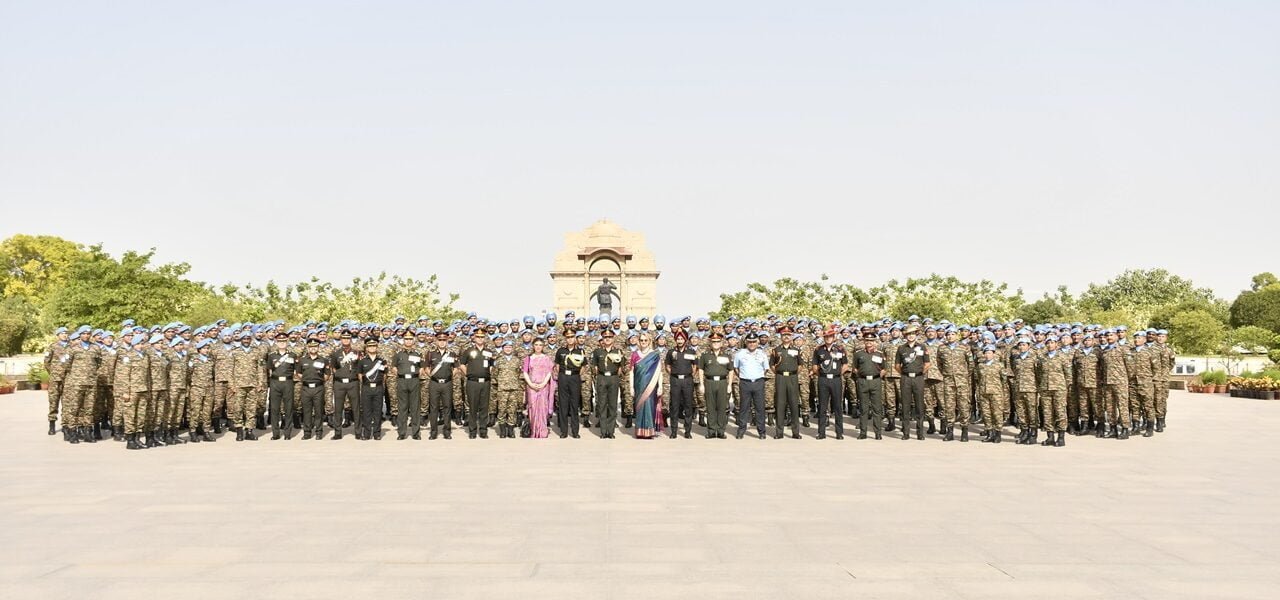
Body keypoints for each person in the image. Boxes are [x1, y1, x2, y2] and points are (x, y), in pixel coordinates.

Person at [811, 327, 847, 440]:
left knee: (838, 406)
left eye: (830, 336)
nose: (828, 338)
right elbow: (815, 367)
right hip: (823, 380)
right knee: (822, 406)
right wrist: (823, 374)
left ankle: (839, 432)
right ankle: (821, 432)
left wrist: (836, 374)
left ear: (834, 337)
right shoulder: (818, 350)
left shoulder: (840, 349)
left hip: (836, 380)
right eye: (826, 336)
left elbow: (845, 365)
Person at [459, 331, 495, 439]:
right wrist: (469, 374)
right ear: (474, 338)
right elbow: (461, 364)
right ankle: (472, 430)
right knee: (473, 407)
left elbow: (492, 365)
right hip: (472, 382)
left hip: (485, 382)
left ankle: (483, 430)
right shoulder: (469, 350)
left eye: (482, 337)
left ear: (485, 338)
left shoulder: (488, 351)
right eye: (478, 337)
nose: (480, 339)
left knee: (484, 407)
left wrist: (488, 372)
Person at [896, 325, 929, 440]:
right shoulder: (901, 348)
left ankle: (920, 433)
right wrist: (905, 373)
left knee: (919, 405)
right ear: (905, 336)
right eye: (908, 334)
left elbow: (927, 364)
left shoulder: (922, 347)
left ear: (916, 335)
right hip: (906, 378)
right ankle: (906, 433)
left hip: (918, 378)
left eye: (913, 334)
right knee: (905, 405)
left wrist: (919, 373)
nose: (911, 336)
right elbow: (897, 365)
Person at [591, 330, 626, 438]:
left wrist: (614, 375)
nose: (607, 339)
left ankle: (610, 432)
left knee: (612, 405)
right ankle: (603, 431)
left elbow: (621, 367)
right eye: (605, 337)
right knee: (601, 405)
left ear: (613, 338)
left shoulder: (618, 351)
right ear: (602, 338)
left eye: (610, 337)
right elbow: (595, 367)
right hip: (602, 378)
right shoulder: (597, 352)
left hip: (613, 378)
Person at [265, 333, 299, 440]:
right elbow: (269, 370)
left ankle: (287, 433)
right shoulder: (272, 355)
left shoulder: (293, 355)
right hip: (275, 383)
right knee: (275, 409)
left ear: (287, 341)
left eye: (284, 341)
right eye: (280, 341)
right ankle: (275, 433)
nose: (282, 343)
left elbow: (296, 370)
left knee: (288, 408)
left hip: (288, 383)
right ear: (276, 342)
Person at [699, 332, 733, 439]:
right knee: (710, 407)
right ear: (710, 343)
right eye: (713, 342)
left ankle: (721, 430)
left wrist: (730, 385)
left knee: (722, 407)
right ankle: (711, 431)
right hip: (709, 382)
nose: (716, 343)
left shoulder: (726, 355)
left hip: (722, 382)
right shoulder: (705, 355)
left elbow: (731, 370)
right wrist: (701, 384)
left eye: (718, 341)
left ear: (721, 343)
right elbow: (701, 370)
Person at [734, 333, 768, 440]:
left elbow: (765, 368)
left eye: (754, 342)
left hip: (758, 382)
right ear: (746, 342)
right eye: (749, 342)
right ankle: (741, 430)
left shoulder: (762, 354)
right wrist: (744, 376)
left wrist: (757, 376)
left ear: (757, 342)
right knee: (744, 408)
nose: (752, 344)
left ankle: (761, 432)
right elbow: (736, 368)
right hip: (745, 383)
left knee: (760, 408)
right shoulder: (740, 354)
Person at [852, 333, 885, 439]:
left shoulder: (880, 354)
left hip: (875, 382)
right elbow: (855, 368)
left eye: (871, 341)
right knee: (863, 408)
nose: (869, 343)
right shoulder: (858, 354)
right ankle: (863, 432)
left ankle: (878, 433)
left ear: (875, 342)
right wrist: (862, 376)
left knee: (877, 409)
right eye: (867, 341)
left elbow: (884, 369)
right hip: (863, 382)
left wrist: (876, 376)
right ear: (864, 342)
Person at [391, 332, 424, 440]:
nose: (408, 341)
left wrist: (416, 375)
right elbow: (394, 367)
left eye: (410, 339)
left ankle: (415, 433)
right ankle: (402, 432)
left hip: (414, 381)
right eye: (406, 339)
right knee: (402, 408)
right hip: (402, 381)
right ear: (403, 340)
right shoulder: (398, 354)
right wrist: (401, 375)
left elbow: (422, 367)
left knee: (415, 408)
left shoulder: (417, 353)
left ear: (413, 340)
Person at [771, 327, 802, 439]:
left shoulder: (796, 350)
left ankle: (796, 432)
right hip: (780, 378)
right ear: (781, 337)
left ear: (791, 336)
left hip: (793, 378)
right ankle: (779, 433)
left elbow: (800, 365)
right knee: (780, 405)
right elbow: (772, 365)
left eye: (788, 334)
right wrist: (780, 373)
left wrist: (792, 373)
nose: (786, 336)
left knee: (794, 405)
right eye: (784, 335)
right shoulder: (776, 350)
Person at [630, 332, 663, 439]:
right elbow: (631, 371)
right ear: (638, 341)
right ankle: (639, 431)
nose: (643, 342)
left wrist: (660, 386)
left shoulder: (654, 355)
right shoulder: (635, 354)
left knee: (649, 405)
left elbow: (659, 371)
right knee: (639, 407)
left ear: (649, 341)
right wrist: (631, 387)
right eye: (641, 340)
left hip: (651, 385)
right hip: (639, 385)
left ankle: (649, 430)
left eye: (645, 340)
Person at [665, 331, 697, 438]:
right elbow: (668, 366)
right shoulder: (671, 352)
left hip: (687, 380)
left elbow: (694, 366)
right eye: (678, 339)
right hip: (675, 380)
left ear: (685, 340)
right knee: (674, 406)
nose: (680, 341)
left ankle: (687, 431)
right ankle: (673, 431)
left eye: (682, 339)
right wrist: (675, 374)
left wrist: (687, 374)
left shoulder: (691, 352)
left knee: (688, 406)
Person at [423, 334, 457, 440]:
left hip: (447, 383)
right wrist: (432, 376)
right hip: (434, 383)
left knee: (447, 408)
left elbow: (456, 367)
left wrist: (450, 376)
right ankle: (433, 432)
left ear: (447, 341)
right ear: (436, 341)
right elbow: (426, 367)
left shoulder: (452, 354)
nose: (442, 342)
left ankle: (447, 431)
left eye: (444, 340)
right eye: (440, 340)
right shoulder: (430, 354)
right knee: (434, 408)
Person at [522, 338, 556, 438]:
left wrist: (543, 383)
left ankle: (542, 431)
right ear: (533, 346)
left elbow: (550, 372)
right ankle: (534, 431)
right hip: (531, 387)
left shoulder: (546, 358)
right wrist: (531, 384)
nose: (538, 347)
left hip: (543, 387)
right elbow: (525, 372)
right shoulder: (528, 358)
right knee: (533, 409)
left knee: (543, 408)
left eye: (540, 345)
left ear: (543, 346)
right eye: (536, 344)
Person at [329, 332, 360, 440]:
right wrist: (340, 374)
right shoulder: (336, 353)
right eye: (344, 338)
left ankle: (358, 432)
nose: (346, 340)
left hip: (353, 382)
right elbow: (333, 367)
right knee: (338, 408)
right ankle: (338, 433)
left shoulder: (357, 352)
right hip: (340, 383)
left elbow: (360, 366)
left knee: (356, 408)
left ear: (351, 339)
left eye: (348, 338)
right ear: (341, 340)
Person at [298, 339, 330, 440]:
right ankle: (307, 432)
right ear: (308, 348)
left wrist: (318, 381)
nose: (313, 348)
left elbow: (327, 374)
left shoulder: (323, 360)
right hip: (306, 388)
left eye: (315, 346)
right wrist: (306, 380)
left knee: (318, 411)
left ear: (318, 348)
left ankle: (319, 432)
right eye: (311, 347)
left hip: (318, 388)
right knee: (306, 411)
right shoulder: (302, 360)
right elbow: (299, 373)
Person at [356, 338, 388, 440]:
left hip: (378, 387)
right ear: (366, 348)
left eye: (374, 346)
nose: (372, 348)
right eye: (370, 346)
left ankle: (377, 433)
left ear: (377, 348)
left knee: (378, 411)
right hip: (366, 388)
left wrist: (379, 384)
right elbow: (360, 375)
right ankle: (366, 433)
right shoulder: (362, 361)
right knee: (366, 411)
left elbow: (385, 375)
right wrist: (366, 384)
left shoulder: (382, 361)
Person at [492, 340, 524, 438]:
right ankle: (502, 431)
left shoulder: (517, 360)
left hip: (514, 389)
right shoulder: (498, 360)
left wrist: (521, 389)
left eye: (510, 347)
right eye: (506, 347)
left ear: (512, 348)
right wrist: (497, 387)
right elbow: (494, 375)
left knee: (512, 410)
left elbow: (520, 374)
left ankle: (510, 430)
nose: (508, 349)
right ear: (502, 349)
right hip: (502, 389)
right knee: (501, 410)